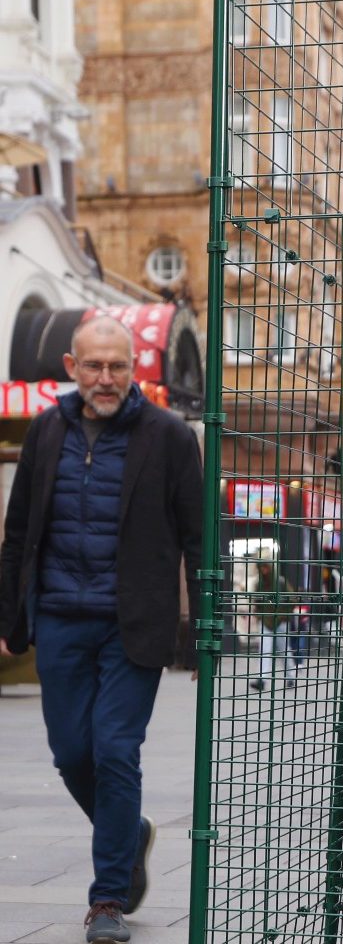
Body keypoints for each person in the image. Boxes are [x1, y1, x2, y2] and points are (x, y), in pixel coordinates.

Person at [0, 315, 203, 943]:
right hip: (59, 618)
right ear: (71, 366)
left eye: (118, 365)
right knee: (71, 755)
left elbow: (198, 537)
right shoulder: (46, 430)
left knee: (116, 752)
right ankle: (130, 832)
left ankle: (107, 898)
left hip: (132, 623)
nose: (106, 378)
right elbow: (18, 531)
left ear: (134, 365)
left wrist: (201, 626)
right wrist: (11, 617)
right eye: (94, 365)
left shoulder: (167, 436)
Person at [249, 560, 300, 691]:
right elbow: (257, 602)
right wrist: (259, 615)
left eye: (265, 567)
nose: (263, 570)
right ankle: (262, 679)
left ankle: (290, 678)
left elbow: (292, 598)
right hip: (266, 621)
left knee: (284, 651)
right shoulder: (259, 584)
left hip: (281, 621)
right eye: (261, 568)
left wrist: (284, 615)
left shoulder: (281, 582)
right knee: (264, 651)